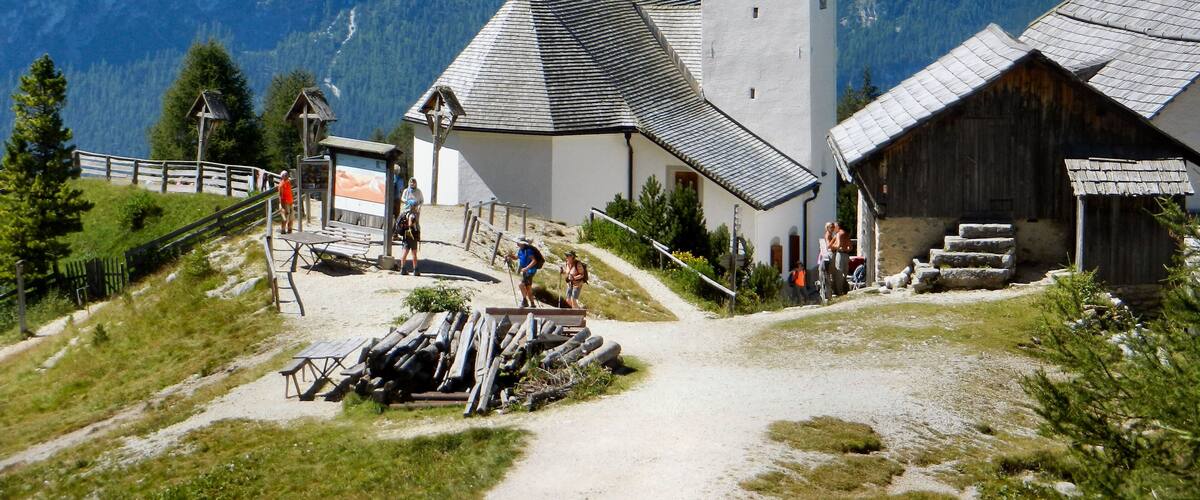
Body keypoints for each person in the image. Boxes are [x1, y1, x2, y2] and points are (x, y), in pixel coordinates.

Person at [507, 237, 544, 308]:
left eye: (518, 242)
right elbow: (516, 257)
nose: (517, 243)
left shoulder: (529, 250)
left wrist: (526, 268)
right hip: (526, 271)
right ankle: (532, 304)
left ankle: (525, 301)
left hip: (530, 271)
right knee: (528, 288)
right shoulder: (521, 250)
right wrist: (509, 256)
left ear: (522, 243)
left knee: (521, 285)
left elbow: (534, 261)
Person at [832, 221, 853, 295]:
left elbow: (838, 245)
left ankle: (839, 291)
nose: (834, 228)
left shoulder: (839, 234)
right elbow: (850, 247)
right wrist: (846, 249)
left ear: (838, 226)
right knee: (845, 273)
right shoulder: (846, 234)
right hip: (846, 255)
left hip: (840, 254)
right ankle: (845, 290)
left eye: (835, 226)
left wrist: (831, 246)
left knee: (838, 273)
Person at [398, 209, 421, 276]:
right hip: (412, 236)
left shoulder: (405, 213)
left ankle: (403, 269)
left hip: (406, 235)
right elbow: (410, 224)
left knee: (404, 253)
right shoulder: (412, 215)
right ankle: (415, 270)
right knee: (414, 254)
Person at [278, 170, 294, 234]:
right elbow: (280, 195)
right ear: (282, 176)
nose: (287, 175)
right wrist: (281, 205)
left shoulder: (288, 182)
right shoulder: (281, 185)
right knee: (285, 217)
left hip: (290, 201)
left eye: (287, 174)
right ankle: (283, 230)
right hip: (285, 202)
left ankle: (290, 229)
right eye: (285, 175)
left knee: (291, 217)